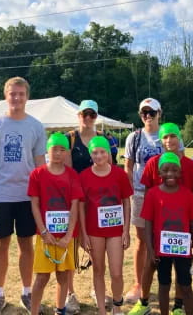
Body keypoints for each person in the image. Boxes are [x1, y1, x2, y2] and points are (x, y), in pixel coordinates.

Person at [0, 77, 46, 315]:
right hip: (2, 195)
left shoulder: (36, 126)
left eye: (21, 94)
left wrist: (42, 196)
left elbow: (40, 164)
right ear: (5, 96)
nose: (16, 98)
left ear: (27, 96)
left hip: (28, 197)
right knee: (1, 245)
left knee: (26, 245)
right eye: (12, 94)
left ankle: (27, 292)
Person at [129, 123, 193, 315]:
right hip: (159, 226)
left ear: (179, 138)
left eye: (173, 136)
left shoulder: (189, 166)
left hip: (182, 228)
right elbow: (148, 195)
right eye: (165, 137)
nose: (169, 140)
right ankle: (143, 302)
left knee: (181, 269)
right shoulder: (153, 163)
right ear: (160, 141)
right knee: (151, 264)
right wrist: (150, 234)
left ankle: (178, 306)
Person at [124, 98, 186, 311]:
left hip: (167, 197)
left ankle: (176, 289)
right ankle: (140, 283)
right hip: (142, 194)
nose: (148, 116)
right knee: (142, 241)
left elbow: (181, 163)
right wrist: (129, 191)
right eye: (144, 113)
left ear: (160, 113)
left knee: (170, 240)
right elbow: (129, 166)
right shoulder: (135, 137)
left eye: (152, 112)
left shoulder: (170, 134)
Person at [28, 133, 83, 315]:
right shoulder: (38, 174)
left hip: (67, 236)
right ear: (47, 150)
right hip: (46, 235)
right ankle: (34, 311)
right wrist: (43, 231)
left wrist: (68, 235)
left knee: (63, 275)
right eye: (54, 149)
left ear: (67, 152)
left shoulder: (72, 175)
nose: (58, 153)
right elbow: (34, 204)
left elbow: (75, 206)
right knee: (42, 277)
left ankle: (60, 310)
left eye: (62, 150)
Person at [64, 99, 110, 313]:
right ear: (78, 115)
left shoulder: (104, 139)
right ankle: (70, 294)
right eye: (85, 114)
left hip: (98, 202)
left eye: (92, 114)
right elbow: (67, 173)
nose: (88, 118)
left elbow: (110, 169)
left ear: (96, 117)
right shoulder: (69, 139)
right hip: (74, 201)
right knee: (72, 249)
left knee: (95, 249)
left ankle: (96, 288)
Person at [79, 136, 132, 315]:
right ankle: (102, 309)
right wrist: (83, 233)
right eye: (95, 152)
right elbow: (81, 207)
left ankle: (117, 306)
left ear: (108, 153)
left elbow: (127, 201)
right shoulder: (84, 176)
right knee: (98, 270)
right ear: (90, 154)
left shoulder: (119, 174)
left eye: (102, 152)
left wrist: (126, 230)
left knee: (116, 272)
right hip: (94, 231)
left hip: (116, 231)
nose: (99, 156)